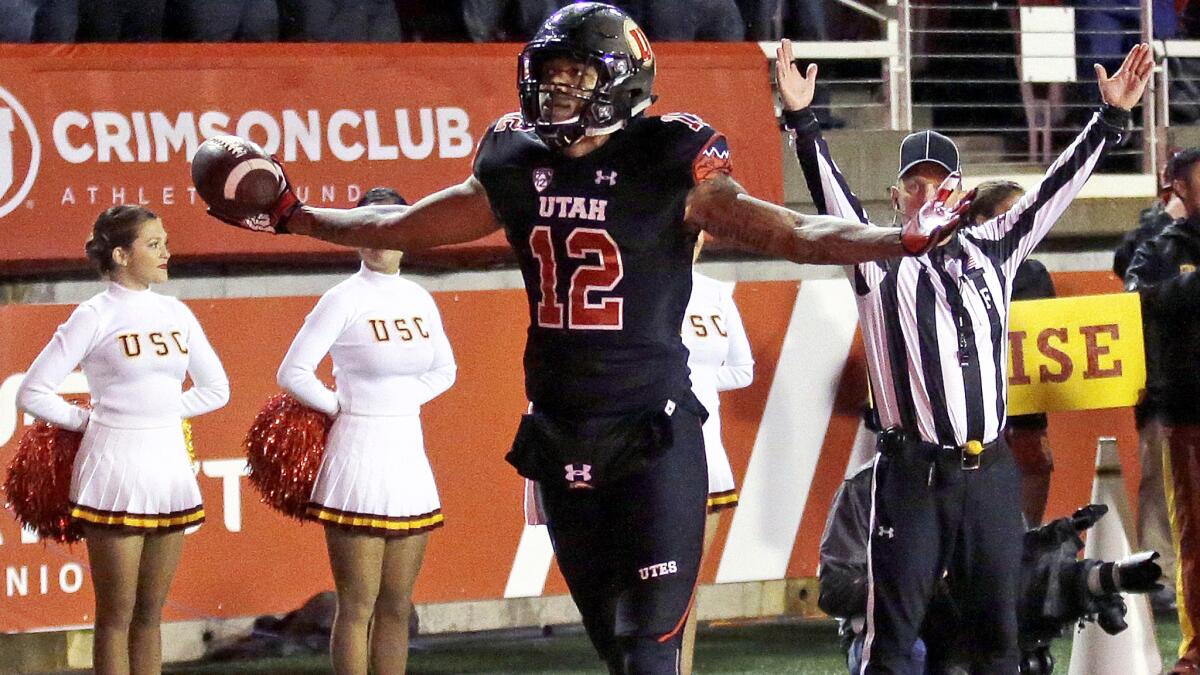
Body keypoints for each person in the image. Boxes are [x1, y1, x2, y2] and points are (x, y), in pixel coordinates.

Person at [197, 4, 960, 671]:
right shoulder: (512, 155)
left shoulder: (668, 155)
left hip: (652, 434)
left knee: (648, 647)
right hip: (560, 436)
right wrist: (296, 215)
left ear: (622, 81)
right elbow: (403, 225)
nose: (556, 88)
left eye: (577, 75)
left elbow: (787, 229)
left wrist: (893, 240)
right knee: (612, 645)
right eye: (549, 72)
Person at [779, 36, 1152, 673]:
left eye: (936, 183)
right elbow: (830, 194)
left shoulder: (994, 247)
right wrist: (802, 121)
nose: (923, 194)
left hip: (990, 471)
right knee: (891, 639)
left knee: (1000, 638)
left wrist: (1109, 120)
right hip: (912, 476)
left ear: (959, 192)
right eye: (911, 184)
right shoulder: (877, 257)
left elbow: (1054, 190)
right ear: (895, 197)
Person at [16, 205, 230, 675]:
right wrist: (89, 421)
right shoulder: (93, 314)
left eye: (165, 242)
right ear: (120, 254)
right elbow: (32, 391)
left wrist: (159, 412)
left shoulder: (177, 312)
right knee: (116, 616)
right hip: (113, 468)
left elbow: (218, 389)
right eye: (153, 244)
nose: (166, 252)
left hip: (169, 469)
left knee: (151, 617)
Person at [276, 186, 455, 675]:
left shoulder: (419, 296)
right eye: (369, 226)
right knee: (356, 606)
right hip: (357, 454)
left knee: (398, 605)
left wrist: (399, 402)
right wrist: (343, 408)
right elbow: (293, 372)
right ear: (353, 235)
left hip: (407, 458)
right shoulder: (342, 298)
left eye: (393, 224)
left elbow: (445, 371)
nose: (380, 237)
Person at [1126, 146, 1200, 675]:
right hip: (1187, 411)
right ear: (1180, 188)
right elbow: (1136, 298)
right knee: (1194, 534)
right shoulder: (1161, 246)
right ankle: (1196, 650)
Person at [959, 180, 1059, 527]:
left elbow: (1053, 334)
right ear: (978, 220)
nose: (1020, 224)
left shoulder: (1034, 272)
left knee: (1035, 468)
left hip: (1027, 410)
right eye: (1010, 215)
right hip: (978, 414)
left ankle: (1026, 554)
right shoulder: (954, 270)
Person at [678, 232, 755, 675]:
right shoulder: (638, 285)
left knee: (687, 584)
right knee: (651, 583)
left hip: (707, 450)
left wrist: (697, 385)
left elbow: (743, 369)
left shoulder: (715, 293)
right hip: (650, 451)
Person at [1116, 160, 1186, 614]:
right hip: (1166, 383)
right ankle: (1160, 575)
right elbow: (1129, 275)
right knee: (1161, 483)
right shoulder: (1153, 234)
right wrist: (1167, 221)